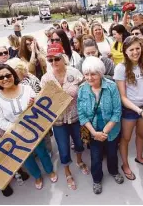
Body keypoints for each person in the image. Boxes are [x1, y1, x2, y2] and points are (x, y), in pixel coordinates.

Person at [0, 64, 57, 190]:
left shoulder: (26, 89)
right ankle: (37, 176)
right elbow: (1, 121)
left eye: (8, 75)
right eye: (1, 77)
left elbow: (39, 107)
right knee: (26, 157)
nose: (5, 79)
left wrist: (33, 105)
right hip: (15, 134)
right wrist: (19, 128)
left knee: (42, 151)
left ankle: (50, 171)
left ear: (13, 75)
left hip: (34, 129)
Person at [41, 43, 89, 190]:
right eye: (50, 60)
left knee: (80, 144)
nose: (54, 63)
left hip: (76, 117)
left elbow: (86, 90)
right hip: (58, 121)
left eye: (57, 59)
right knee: (63, 148)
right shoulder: (46, 78)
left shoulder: (74, 72)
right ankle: (67, 171)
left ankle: (79, 161)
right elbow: (43, 100)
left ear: (64, 58)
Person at [113, 36, 143, 180]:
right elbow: (123, 97)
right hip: (130, 109)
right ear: (125, 51)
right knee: (125, 138)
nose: (135, 52)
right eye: (131, 49)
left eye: (137, 48)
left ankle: (139, 157)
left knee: (141, 135)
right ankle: (125, 164)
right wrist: (139, 111)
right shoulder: (120, 69)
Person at [77, 56, 124, 194]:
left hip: (111, 129)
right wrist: (94, 133)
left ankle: (114, 171)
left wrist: (105, 131)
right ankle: (97, 179)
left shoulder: (111, 86)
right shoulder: (82, 90)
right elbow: (82, 114)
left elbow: (117, 111)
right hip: (93, 131)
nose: (90, 78)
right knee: (95, 157)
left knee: (112, 153)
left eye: (93, 74)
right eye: (86, 74)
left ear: (101, 73)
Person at [5, 58, 53, 154]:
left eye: (13, 70)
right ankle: (38, 152)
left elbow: (38, 93)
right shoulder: (15, 82)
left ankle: (48, 150)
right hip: (26, 115)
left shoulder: (30, 79)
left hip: (36, 112)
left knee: (43, 134)